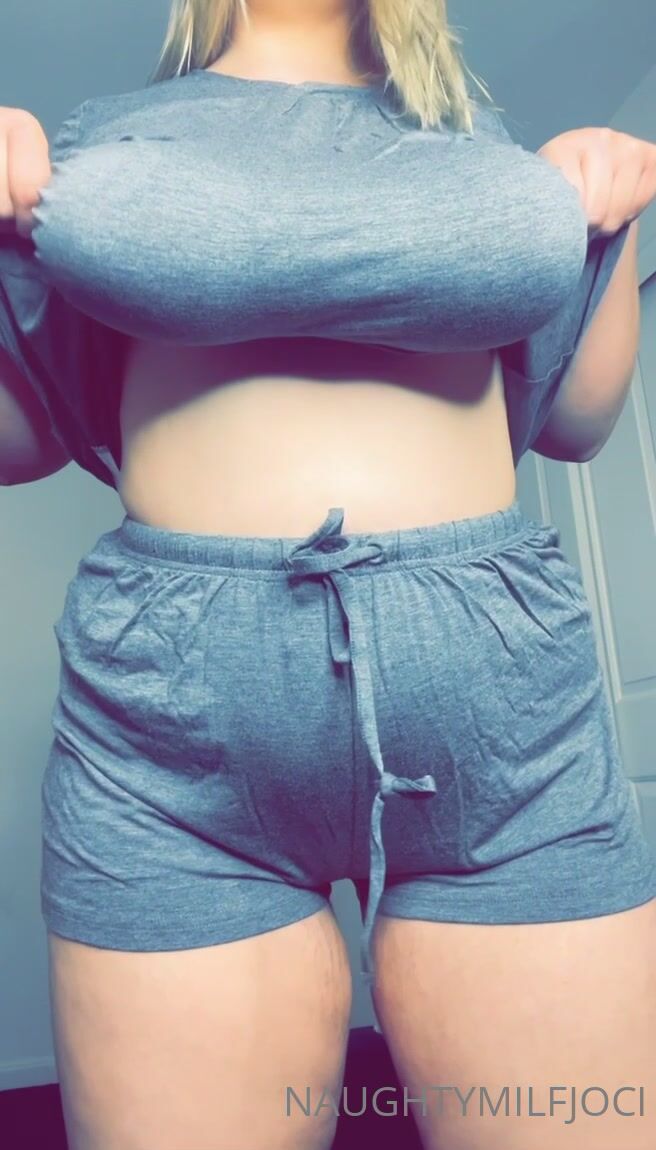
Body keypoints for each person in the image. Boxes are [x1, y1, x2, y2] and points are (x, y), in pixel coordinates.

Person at [1, 1, 655, 1147]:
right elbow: (21, 443)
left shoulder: (479, 147)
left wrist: (611, 220)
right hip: (170, 730)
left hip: (501, 720)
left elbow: (576, 423)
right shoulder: (102, 137)